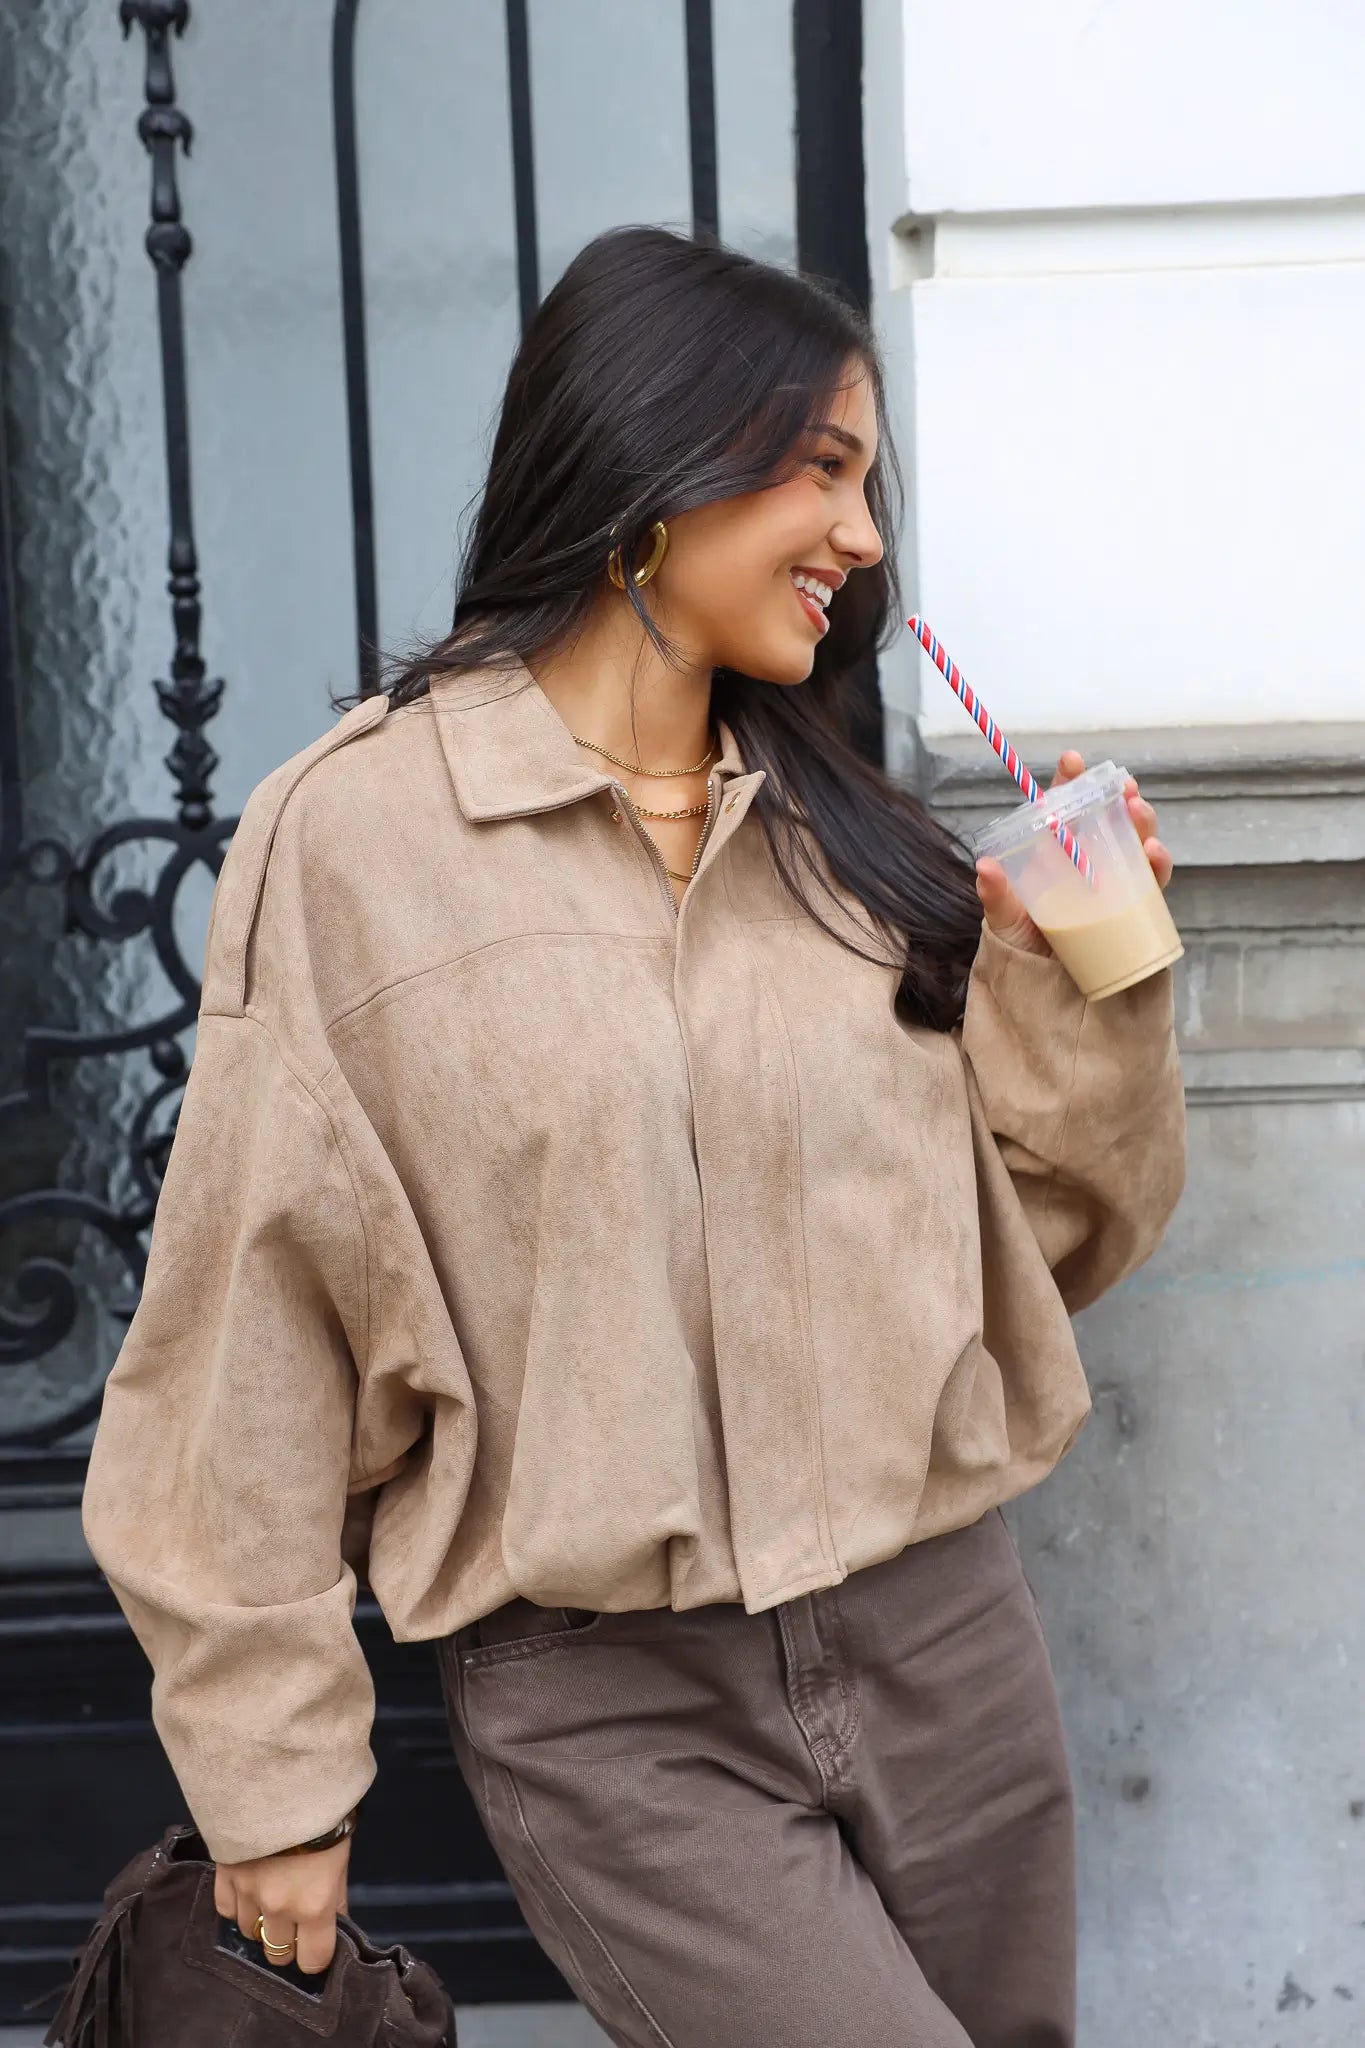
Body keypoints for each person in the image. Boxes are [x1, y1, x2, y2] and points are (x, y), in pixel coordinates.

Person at [82, 223, 1185, 2047]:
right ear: (654, 471)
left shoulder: (846, 843)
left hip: (946, 1648)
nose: (865, 537)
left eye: (867, 480)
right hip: (617, 1707)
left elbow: (1050, 1246)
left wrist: (1090, 984)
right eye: (821, 469)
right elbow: (247, 1334)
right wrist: (269, 1770)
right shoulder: (355, 841)